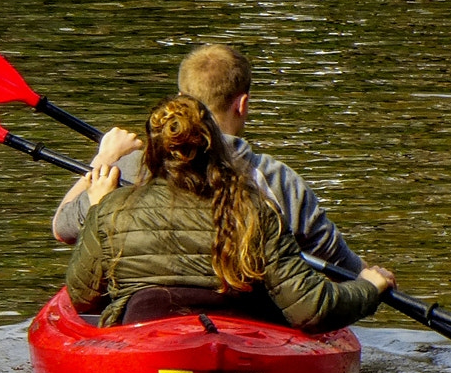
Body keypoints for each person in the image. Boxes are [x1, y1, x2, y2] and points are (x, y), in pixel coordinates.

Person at [65, 94, 395, 330]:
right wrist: (369, 287)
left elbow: (82, 298)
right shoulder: (256, 212)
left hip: (145, 340)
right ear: (217, 149)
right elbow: (311, 309)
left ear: (150, 155)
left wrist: (96, 209)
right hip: (240, 345)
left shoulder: (110, 209)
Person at [52, 44, 364, 273]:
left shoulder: (132, 166)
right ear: (242, 104)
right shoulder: (277, 179)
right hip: (251, 323)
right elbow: (340, 266)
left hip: (146, 316)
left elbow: (63, 228)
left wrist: (103, 159)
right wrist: (371, 282)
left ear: (178, 102)